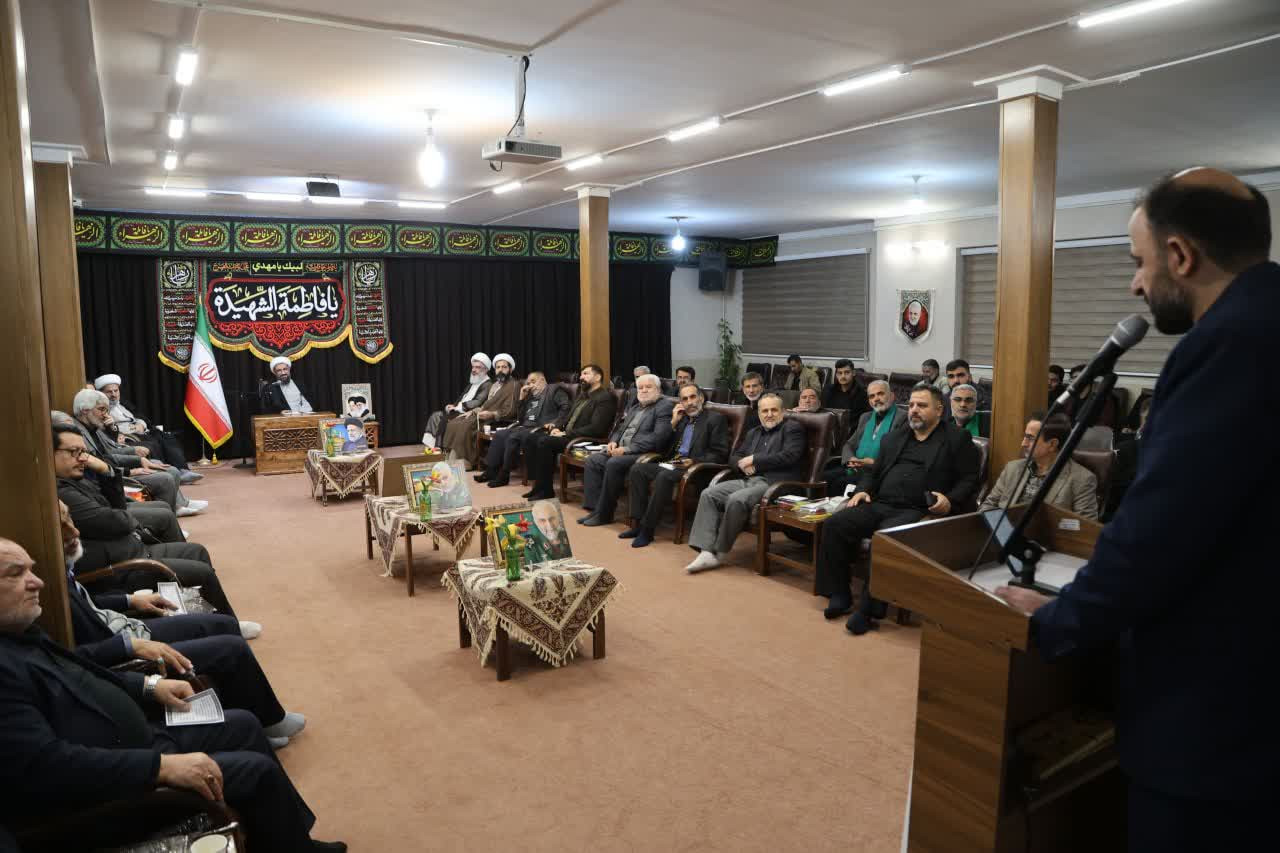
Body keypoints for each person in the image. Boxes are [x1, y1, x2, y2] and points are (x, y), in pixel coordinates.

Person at [995, 169, 1278, 851]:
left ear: (1180, 256)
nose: (1134, 285)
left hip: (1217, 713)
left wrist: (1055, 621)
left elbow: (1162, 531)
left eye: (1138, 261)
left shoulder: (1227, 345)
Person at [0, 539, 346, 852]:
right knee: (257, 772)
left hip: (129, 740)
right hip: (104, 792)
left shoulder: (20, 633)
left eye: (31, 570)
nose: (38, 581)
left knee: (244, 724)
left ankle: (292, 842)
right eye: (16, 574)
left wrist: (149, 686)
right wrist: (160, 768)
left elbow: (82, 668)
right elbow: (48, 768)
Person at [57, 504, 305, 747]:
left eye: (70, 519)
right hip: (122, 651)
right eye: (62, 525)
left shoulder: (60, 565)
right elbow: (79, 653)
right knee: (232, 649)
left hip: (124, 628)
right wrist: (129, 645)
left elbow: (88, 602)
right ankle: (269, 721)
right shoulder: (49, 584)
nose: (74, 531)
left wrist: (129, 600)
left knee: (225, 625)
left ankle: (256, 716)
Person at [53, 424, 256, 635]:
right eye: (74, 452)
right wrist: (126, 518)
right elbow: (117, 520)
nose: (83, 458)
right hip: (119, 569)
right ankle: (226, 628)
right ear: (50, 454)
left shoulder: (74, 479)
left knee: (197, 551)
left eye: (83, 452)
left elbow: (118, 508)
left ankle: (208, 619)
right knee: (201, 573)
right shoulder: (62, 492)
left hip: (130, 549)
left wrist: (107, 471)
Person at [817, 384, 979, 633]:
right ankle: (840, 593)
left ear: (939, 410)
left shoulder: (957, 439)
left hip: (918, 511)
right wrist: (863, 490)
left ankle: (868, 611)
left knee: (884, 539)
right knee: (834, 525)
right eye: (911, 405)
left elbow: (970, 479)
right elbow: (873, 472)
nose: (914, 410)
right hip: (881, 503)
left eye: (922, 405)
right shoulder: (895, 437)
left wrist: (950, 499)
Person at [685, 393, 806, 573]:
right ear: (759, 413)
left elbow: (790, 456)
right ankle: (706, 551)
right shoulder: (754, 432)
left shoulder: (793, 428)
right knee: (709, 494)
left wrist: (755, 459)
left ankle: (719, 552)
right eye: (765, 411)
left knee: (737, 499)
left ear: (782, 411)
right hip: (749, 479)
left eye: (774, 410)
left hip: (776, 483)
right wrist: (742, 464)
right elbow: (735, 456)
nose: (769, 414)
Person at [52, 410, 186, 543]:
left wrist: (114, 432)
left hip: (111, 497)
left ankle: (171, 524)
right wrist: (128, 471)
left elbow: (108, 454)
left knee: (164, 504)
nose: (82, 457)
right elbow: (111, 519)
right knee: (164, 492)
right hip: (112, 511)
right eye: (74, 451)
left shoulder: (92, 434)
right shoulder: (63, 485)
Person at [622, 383, 730, 548]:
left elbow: (720, 453)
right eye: (685, 399)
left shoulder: (715, 419)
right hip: (673, 464)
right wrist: (672, 423)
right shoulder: (682, 419)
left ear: (701, 398)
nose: (689, 402)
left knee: (664, 476)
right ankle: (636, 524)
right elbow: (662, 447)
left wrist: (694, 461)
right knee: (638, 469)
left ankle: (647, 529)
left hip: (696, 469)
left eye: (693, 397)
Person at [72, 390, 207, 517]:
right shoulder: (77, 433)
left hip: (115, 469)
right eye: (101, 409)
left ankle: (177, 507)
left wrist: (139, 460)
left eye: (106, 410)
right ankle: (169, 515)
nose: (106, 415)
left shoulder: (94, 427)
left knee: (169, 468)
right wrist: (129, 471)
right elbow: (98, 464)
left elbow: (110, 452)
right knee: (166, 478)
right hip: (109, 478)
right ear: (85, 410)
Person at [579, 374, 674, 526]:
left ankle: (605, 513)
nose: (644, 390)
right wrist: (613, 442)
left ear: (658, 389)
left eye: (648, 387)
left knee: (614, 463)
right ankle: (595, 509)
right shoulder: (635, 407)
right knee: (593, 460)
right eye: (640, 388)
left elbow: (659, 437)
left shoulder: (664, 406)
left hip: (645, 454)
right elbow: (620, 429)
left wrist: (627, 449)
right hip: (621, 451)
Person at [523, 365, 617, 501]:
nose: (581, 377)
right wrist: (557, 428)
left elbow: (597, 428)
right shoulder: (582, 396)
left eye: (586, 374)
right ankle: (538, 486)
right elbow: (567, 417)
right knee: (531, 438)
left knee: (545, 442)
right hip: (569, 436)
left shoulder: (605, 398)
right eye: (581, 374)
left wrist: (566, 434)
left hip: (585, 439)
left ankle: (546, 490)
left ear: (598, 377)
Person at [980, 413, 1098, 518]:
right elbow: (988, 506)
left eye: (1030, 438)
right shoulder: (1012, 468)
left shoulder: (1082, 479)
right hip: (1004, 532)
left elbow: (1084, 528)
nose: (1023, 443)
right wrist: (1003, 531)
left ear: (1052, 444)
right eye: (1025, 436)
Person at [94, 373, 198, 482]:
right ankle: (166, 472)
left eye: (116, 391)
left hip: (141, 431)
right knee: (152, 443)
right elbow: (111, 428)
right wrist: (133, 429)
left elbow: (139, 417)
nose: (114, 394)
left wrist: (141, 424)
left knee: (167, 438)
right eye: (109, 392)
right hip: (128, 436)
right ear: (101, 393)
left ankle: (182, 469)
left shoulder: (123, 404)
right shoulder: (102, 409)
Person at [478, 371, 570, 488]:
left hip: (540, 428)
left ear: (542, 380)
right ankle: (491, 470)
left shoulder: (554, 390)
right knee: (500, 434)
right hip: (525, 427)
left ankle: (504, 475)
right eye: (528, 383)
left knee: (513, 437)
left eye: (533, 381)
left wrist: (555, 424)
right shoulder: (530, 395)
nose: (530, 385)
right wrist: (521, 398)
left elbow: (566, 408)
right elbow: (521, 419)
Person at [441, 353, 519, 468]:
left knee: (465, 426)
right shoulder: (495, 385)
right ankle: (450, 459)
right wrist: (472, 411)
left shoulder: (514, 385)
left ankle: (466, 462)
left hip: (496, 420)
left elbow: (510, 410)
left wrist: (492, 414)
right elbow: (486, 405)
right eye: (498, 367)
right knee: (454, 423)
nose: (500, 370)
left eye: (504, 367)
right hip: (483, 415)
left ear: (510, 369)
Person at [824, 379, 899, 496]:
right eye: (872, 396)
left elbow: (899, 452)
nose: (876, 399)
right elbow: (849, 444)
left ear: (892, 396)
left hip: (877, 471)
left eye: (880, 394)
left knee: (840, 483)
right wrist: (851, 458)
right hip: (855, 467)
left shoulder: (902, 418)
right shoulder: (865, 417)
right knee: (824, 477)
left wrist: (874, 462)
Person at [422, 353, 493, 448]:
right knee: (435, 416)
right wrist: (453, 406)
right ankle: (433, 447)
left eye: (477, 367)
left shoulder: (487, 384)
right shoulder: (474, 382)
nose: (473, 370)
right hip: (460, 410)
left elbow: (477, 402)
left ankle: (439, 447)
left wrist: (457, 408)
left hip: (469, 414)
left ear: (486, 369)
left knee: (443, 419)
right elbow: (463, 397)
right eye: (473, 367)